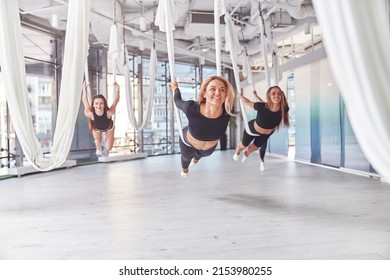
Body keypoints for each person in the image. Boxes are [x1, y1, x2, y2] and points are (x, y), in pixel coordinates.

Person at [170, 76, 235, 178]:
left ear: (226, 94)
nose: (217, 93)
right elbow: (178, 101)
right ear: (204, 93)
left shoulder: (228, 111)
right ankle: (185, 169)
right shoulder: (191, 108)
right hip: (188, 142)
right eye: (212, 89)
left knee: (202, 155)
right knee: (186, 159)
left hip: (208, 148)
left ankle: (196, 158)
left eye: (222, 90)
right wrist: (175, 89)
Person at [233, 86, 289, 171]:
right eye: (273, 93)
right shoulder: (261, 106)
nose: (277, 95)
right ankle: (237, 151)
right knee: (244, 145)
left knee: (253, 148)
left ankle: (246, 154)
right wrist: (240, 96)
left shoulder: (284, 108)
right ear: (269, 96)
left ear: (281, 95)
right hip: (252, 129)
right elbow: (248, 102)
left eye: (279, 93)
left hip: (265, 134)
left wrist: (256, 95)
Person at [82, 80, 120, 156]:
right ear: (93, 105)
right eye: (96, 103)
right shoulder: (90, 114)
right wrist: (84, 88)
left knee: (109, 147)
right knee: (97, 141)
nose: (99, 106)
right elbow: (84, 100)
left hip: (109, 128)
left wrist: (118, 89)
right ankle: (98, 146)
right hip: (97, 129)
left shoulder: (109, 113)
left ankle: (105, 141)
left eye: (101, 103)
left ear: (104, 104)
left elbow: (116, 100)